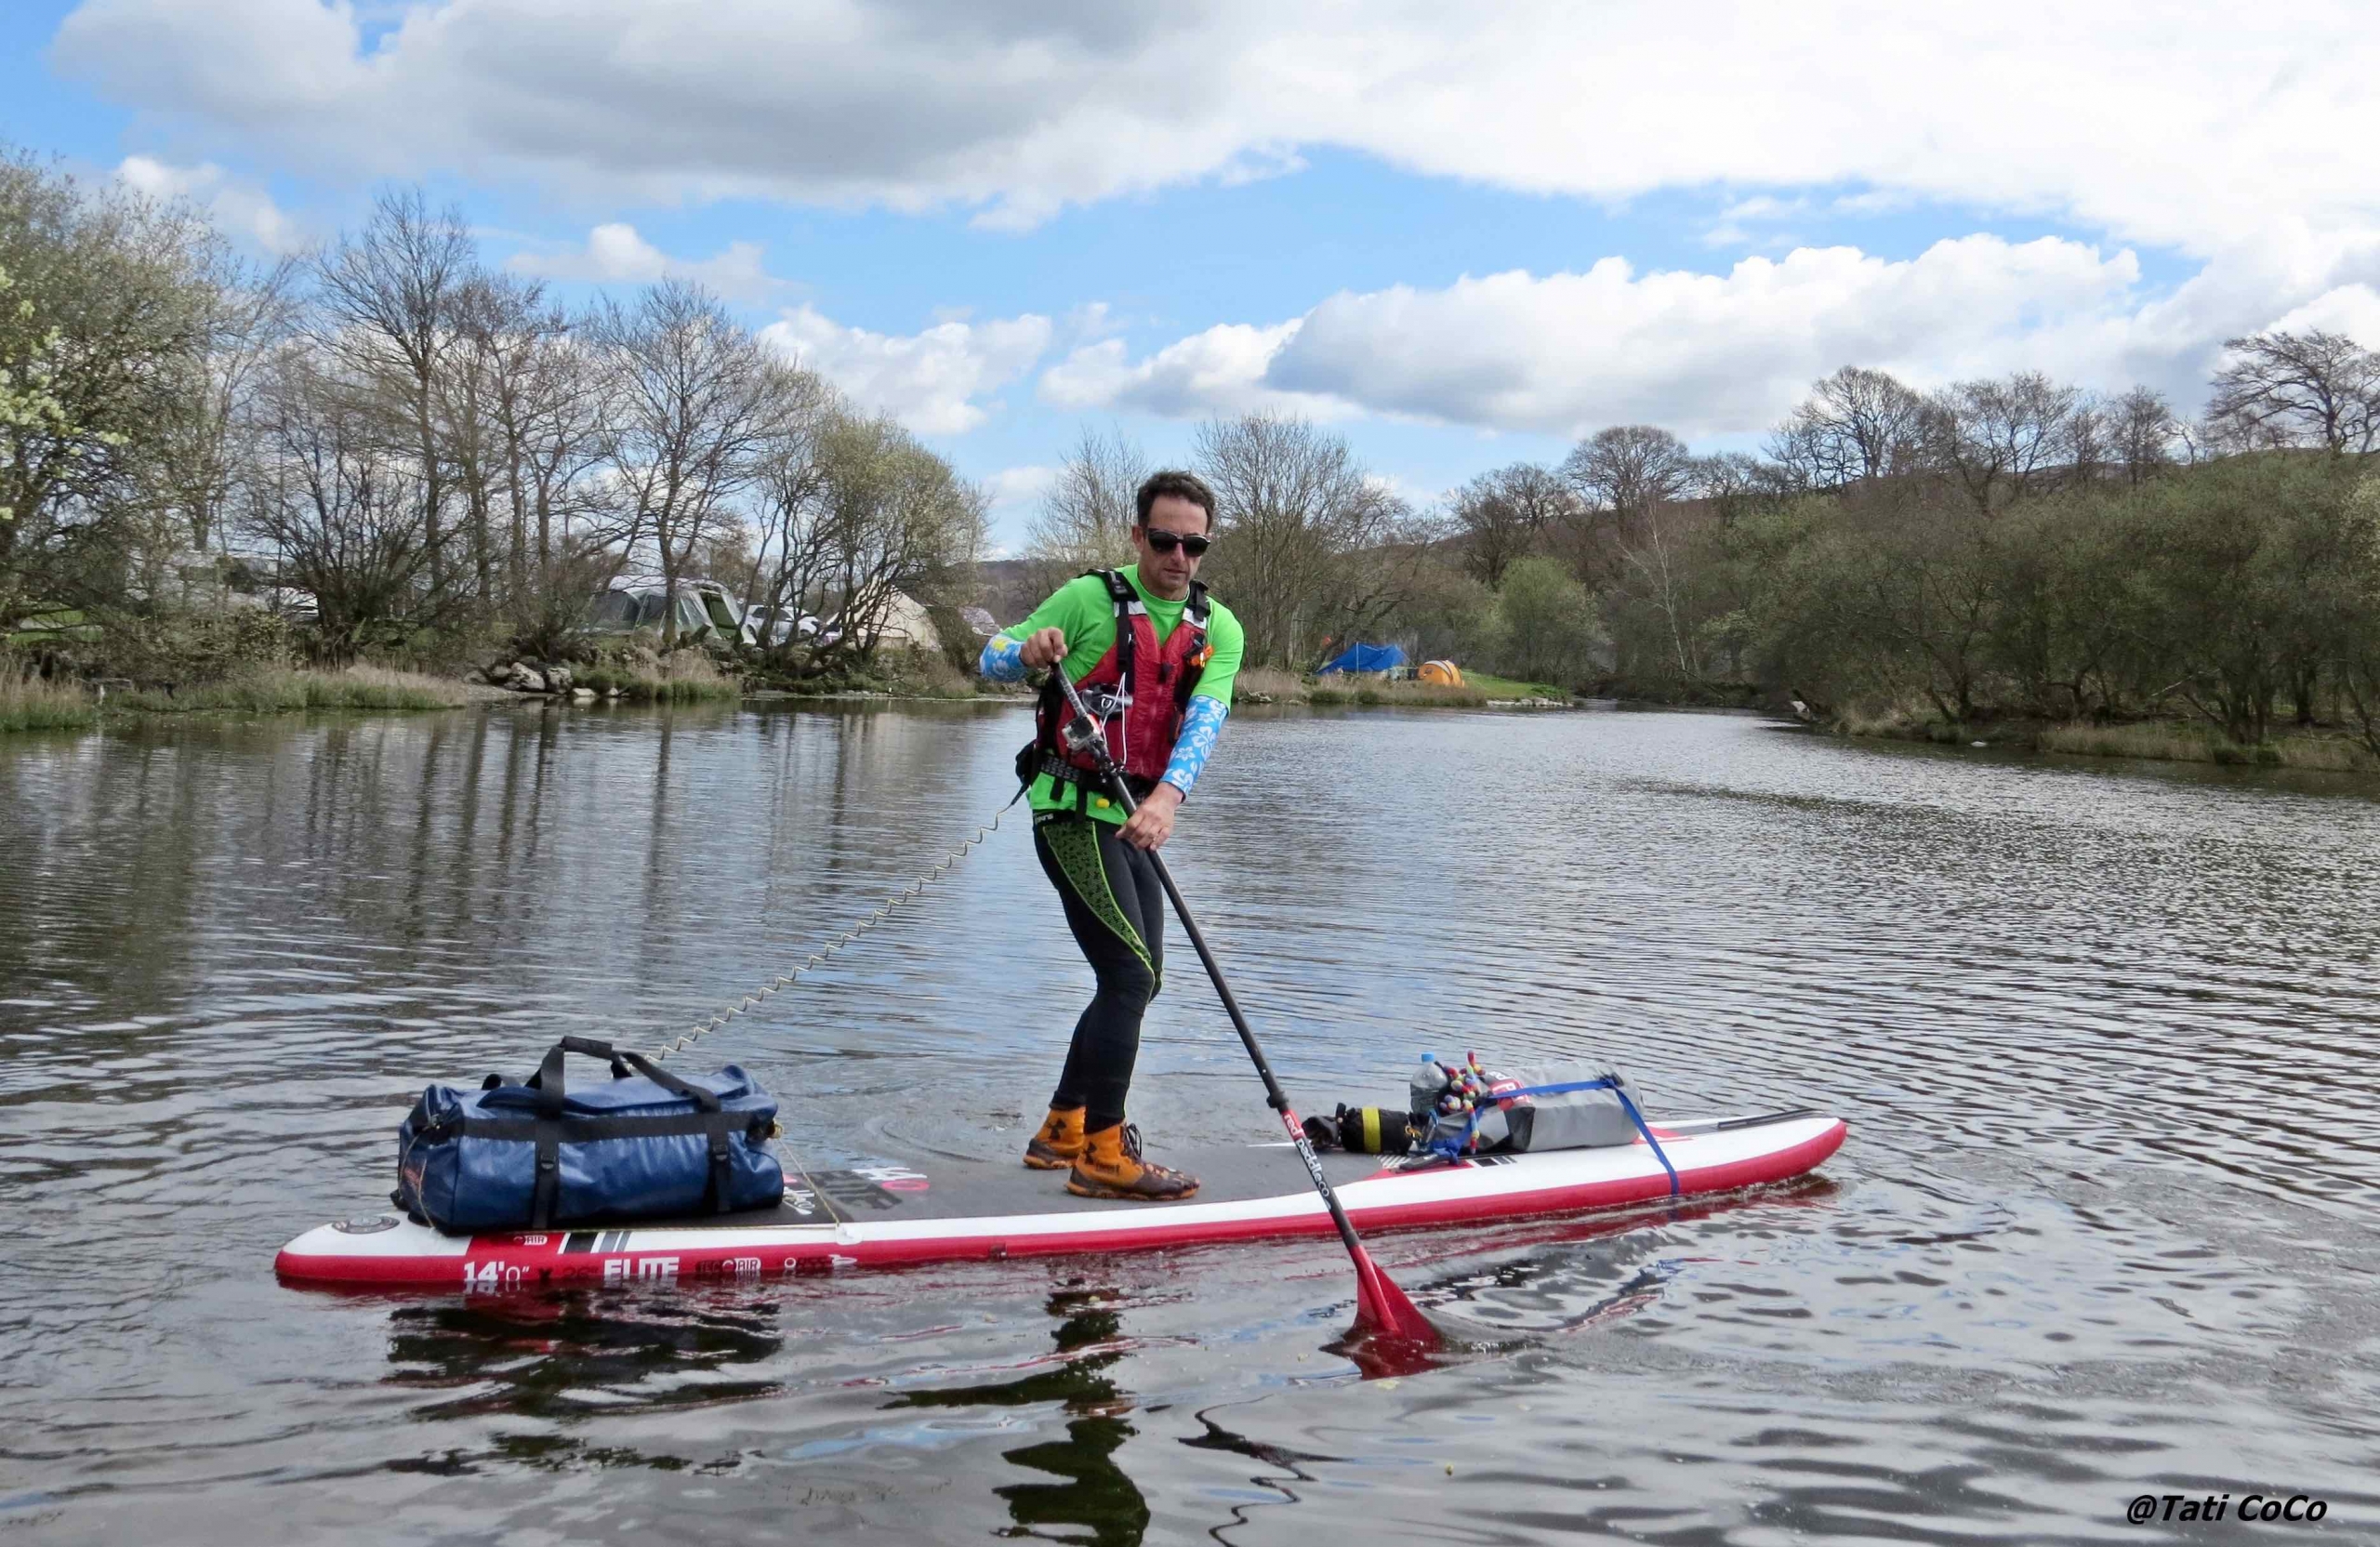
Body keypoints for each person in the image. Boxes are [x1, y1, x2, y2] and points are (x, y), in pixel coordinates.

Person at [978, 470, 1244, 1200]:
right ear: (1138, 536)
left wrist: (1168, 798)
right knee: (1129, 974)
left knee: (1140, 976)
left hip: (1137, 817)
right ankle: (1103, 1153)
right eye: (1164, 540)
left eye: (1194, 544)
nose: (1179, 556)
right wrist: (1025, 652)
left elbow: (1206, 717)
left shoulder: (1219, 629)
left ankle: (1062, 1126)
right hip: (1068, 810)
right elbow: (990, 655)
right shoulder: (1088, 597)